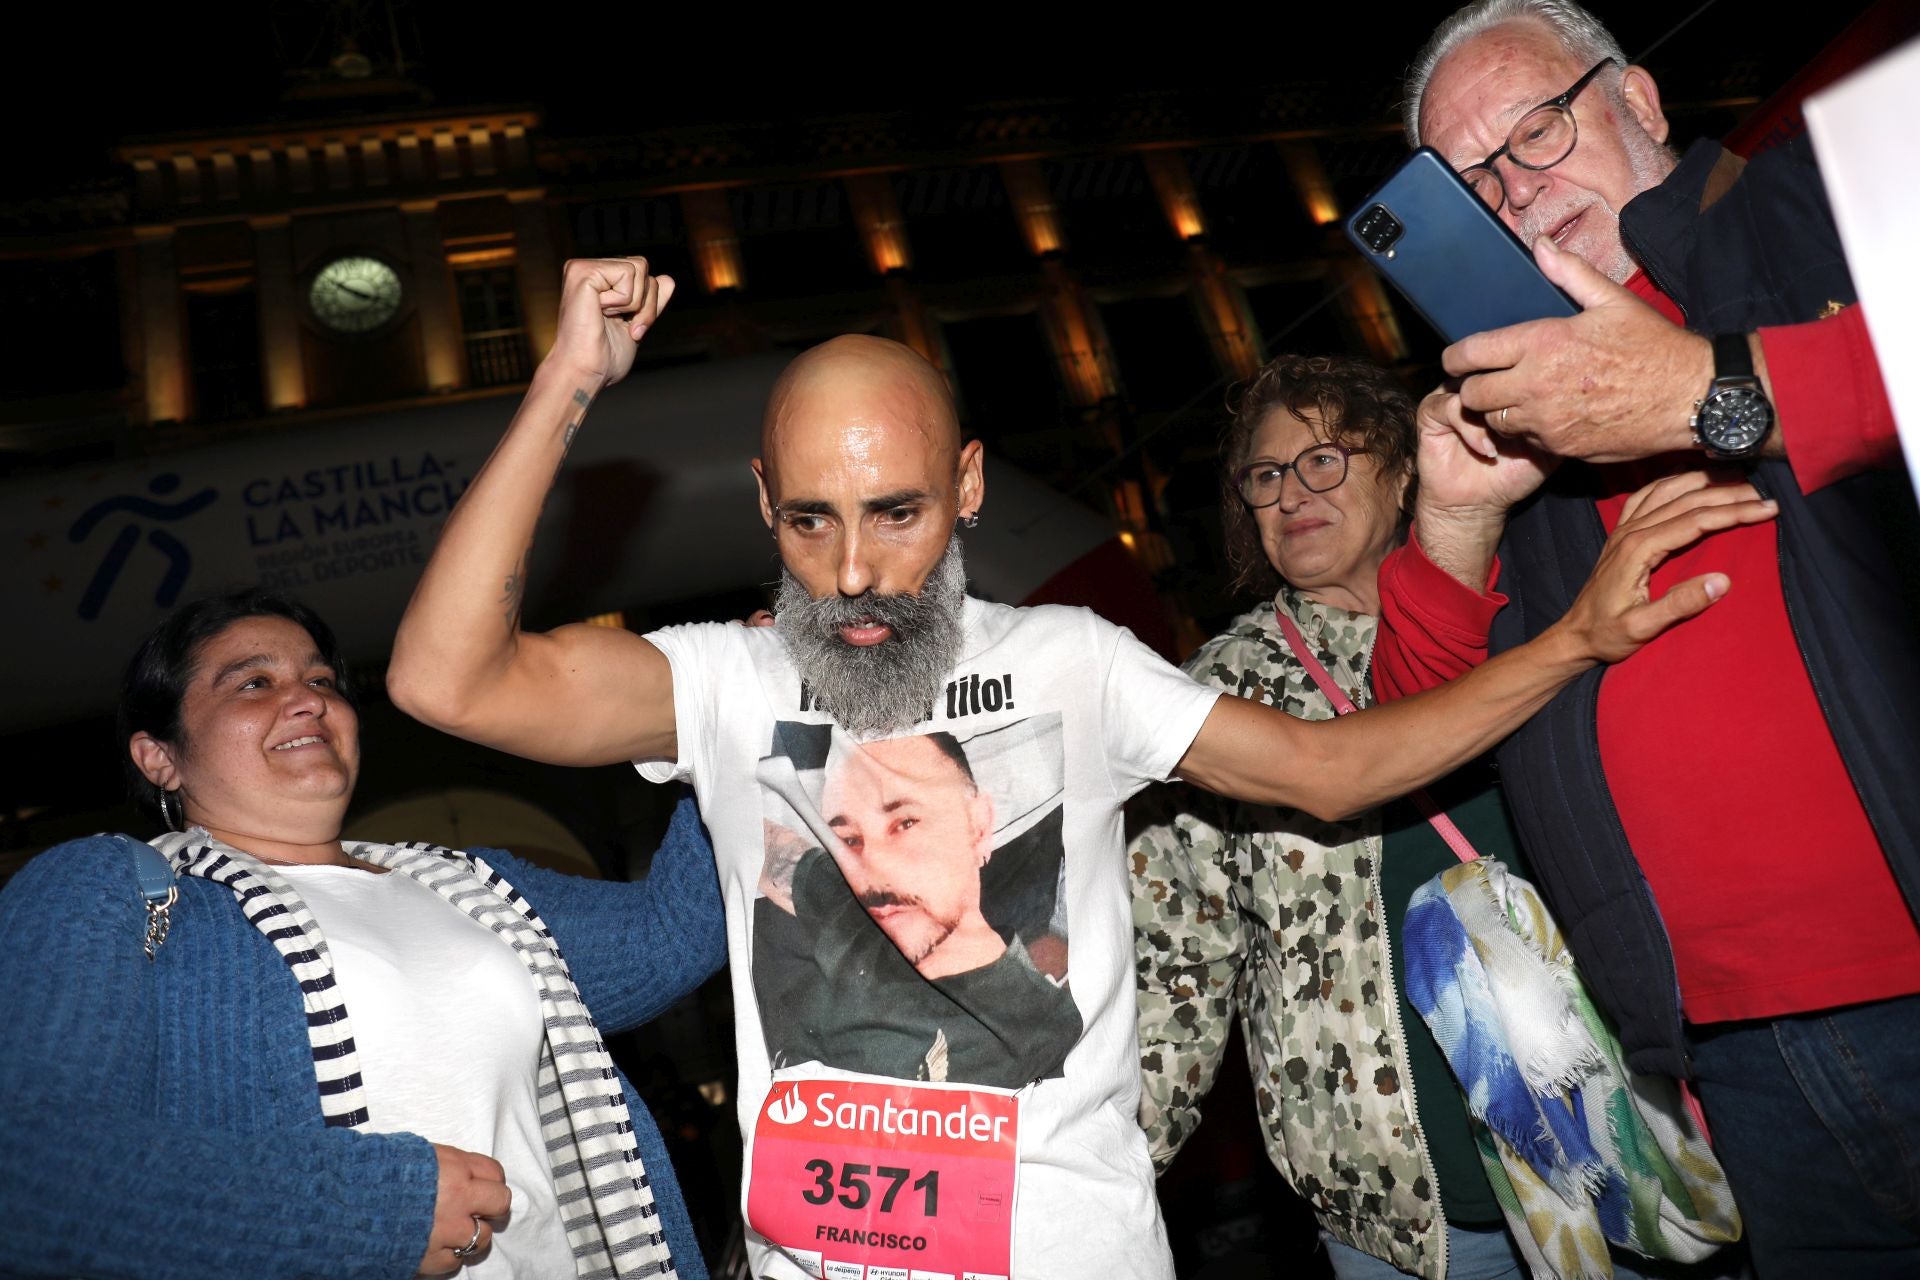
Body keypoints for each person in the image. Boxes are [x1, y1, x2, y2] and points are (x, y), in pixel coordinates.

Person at [384, 254, 1773, 1280]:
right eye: (810, 522)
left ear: (972, 487)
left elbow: (1333, 774)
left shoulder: (1072, 661)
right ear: (761, 505)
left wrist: (1574, 641)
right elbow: (442, 680)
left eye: (897, 512)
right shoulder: (728, 679)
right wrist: (567, 380)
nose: (856, 570)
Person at [1374, 2, 1920, 1273]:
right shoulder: (1510, 419)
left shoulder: (1808, 214)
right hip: (1727, 1066)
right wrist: (1452, 526)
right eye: (1471, 183)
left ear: (1644, 106)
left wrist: (1708, 394)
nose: (1515, 186)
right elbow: (1415, 747)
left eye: (1541, 126)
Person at [0, 588, 727, 1280]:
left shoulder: (468, 885)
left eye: (322, 680)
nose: (309, 698)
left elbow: (668, 940)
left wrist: (729, 722)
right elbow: (27, 1174)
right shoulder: (109, 890)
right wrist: (375, 1211)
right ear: (159, 755)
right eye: (253, 684)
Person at [1133, 353, 1580, 1278]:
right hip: (1398, 1202)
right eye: (1266, 474)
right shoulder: (1222, 690)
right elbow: (1177, 956)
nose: (1292, 490)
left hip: (1598, 1122)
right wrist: (1099, 1165)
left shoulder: (1523, 610)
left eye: (1325, 458)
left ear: (1407, 466)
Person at [754, 729, 1084, 1088]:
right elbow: (769, 850)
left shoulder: (1044, 1036)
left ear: (979, 825)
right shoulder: (852, 909)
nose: (873, 871)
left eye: (905, 823)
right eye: (850, 839)